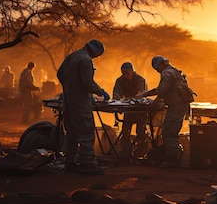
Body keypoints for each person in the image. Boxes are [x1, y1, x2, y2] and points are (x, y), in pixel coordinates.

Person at [57, 39, 110, 175]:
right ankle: (87, 164)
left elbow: (60, 73)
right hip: (80, 102)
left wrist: (69, 87)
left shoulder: (72, 56)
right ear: (95, 52)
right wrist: (100, 91)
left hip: (68, 101)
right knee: (86, 131)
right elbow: (87, 82)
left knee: (72, 132)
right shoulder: (86, 60)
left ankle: (70, 163)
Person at [135, 55, 192, 168]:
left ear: (161, 64)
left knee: (168, 132)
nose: (157, 70)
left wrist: (144, 95)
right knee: (170, 131)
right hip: (179, 105)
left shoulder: (167, 73)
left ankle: (173, 161)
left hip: (176, 106)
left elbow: (161, 91)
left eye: (157, 68)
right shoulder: (174, 71)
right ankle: (174, 156)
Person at [112, 62, 149, 161]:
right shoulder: (120, 81)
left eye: (127, 73)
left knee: (141, 132)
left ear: (132, 71)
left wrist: (128, 100)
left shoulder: (141, 80)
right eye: (123, 73)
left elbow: (141, 95)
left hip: (140, 110)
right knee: (125, 131)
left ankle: (141, 153)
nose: (125, 75)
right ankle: (126, 154)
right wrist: (116, 102)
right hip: (128, 109)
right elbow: (116, 92)